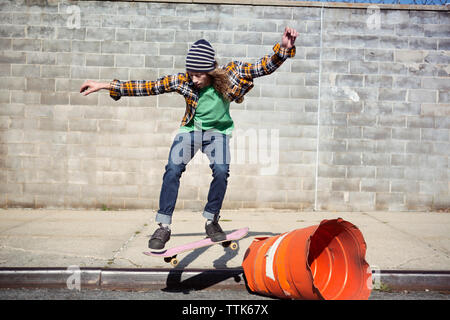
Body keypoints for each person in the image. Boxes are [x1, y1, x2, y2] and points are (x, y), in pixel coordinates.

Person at [80, 27, 298, 251]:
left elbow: (262, 67)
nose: (193, 80)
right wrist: (105, 86)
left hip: (218, 133)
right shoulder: (183, 81)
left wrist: (282, 49)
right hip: (191, 130)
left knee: (222, 171)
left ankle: (211, 220)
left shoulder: (233, 72)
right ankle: (163, 226)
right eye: (191, 74)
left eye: (198, 75)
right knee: (173, 168)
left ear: (211, 71)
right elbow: (148, 86)